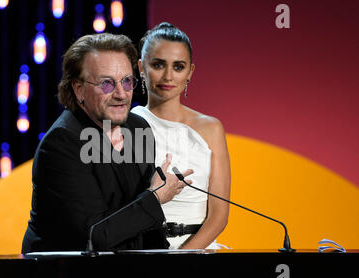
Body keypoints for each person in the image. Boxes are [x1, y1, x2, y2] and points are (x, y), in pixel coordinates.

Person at [21, 32, 189, 254]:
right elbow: (94, 237)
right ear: (78, 89)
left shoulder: (138, 127)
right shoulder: (61, 144)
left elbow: (145, 228)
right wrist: (156, 197)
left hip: (126, 274)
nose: (121, 94)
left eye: (127, 81)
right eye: (107, 84)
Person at [132, 22, 231, 251]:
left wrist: (179, 267)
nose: (168, 76)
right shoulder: (125, 125)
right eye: (158, 64)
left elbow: (219, 216)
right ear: (141, 67)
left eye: (178, 67)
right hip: (141, 253)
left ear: (190, 72)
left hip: (196, 256)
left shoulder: (211, 128)